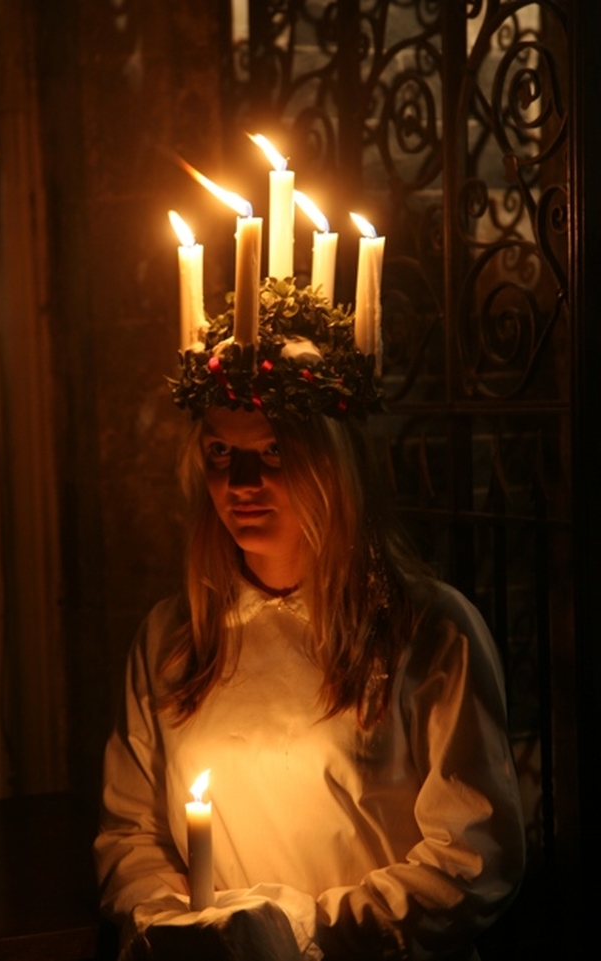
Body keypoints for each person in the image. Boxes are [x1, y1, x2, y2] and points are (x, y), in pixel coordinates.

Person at [94, 279, 525, 960]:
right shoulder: (173, 637)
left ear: (333, 462)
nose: (240, 485)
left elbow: (473, 858)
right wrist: (174, 924)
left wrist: (298, 934)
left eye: (271, 452)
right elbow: (130, 829)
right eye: (219, 453)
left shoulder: (429, 632)